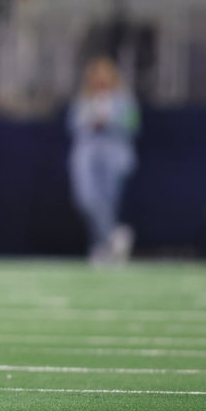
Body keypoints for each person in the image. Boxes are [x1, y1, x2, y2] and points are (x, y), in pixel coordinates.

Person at [67, 56, 140, 265]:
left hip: (114, 152)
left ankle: (101, 246)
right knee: (86, 198)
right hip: (86, 153)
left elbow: (133, 125)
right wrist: (91, 119)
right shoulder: (84, 99)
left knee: (108, 201)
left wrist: (110, 121)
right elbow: (72, 125)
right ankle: (113, 237)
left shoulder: (124, 99)